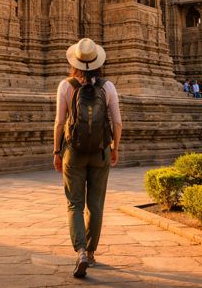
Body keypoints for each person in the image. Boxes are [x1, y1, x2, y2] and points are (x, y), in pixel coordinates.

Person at [53, 38, 122, 279]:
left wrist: (56, 151)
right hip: (101, 150)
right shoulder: (108, 87)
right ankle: (92, 253)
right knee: (96, 205)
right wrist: (115, 148)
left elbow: (60, 122)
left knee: (74, 204)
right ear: (98, 62)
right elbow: (117, 122)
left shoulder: (66, 85)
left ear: (75, 61)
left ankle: (80, 250)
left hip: (73, 150)